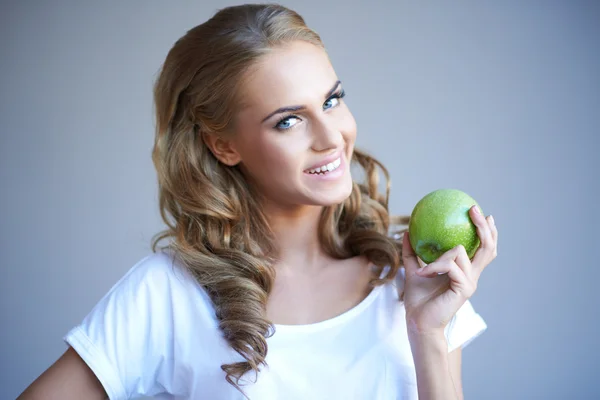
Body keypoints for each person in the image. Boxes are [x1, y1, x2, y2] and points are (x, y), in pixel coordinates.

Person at [18, 3, 498, 400]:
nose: (332, 138)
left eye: (331, 101)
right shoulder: (167, 295)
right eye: (288, 121)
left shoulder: (412, 281)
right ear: (222, 145)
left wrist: (428, 332)